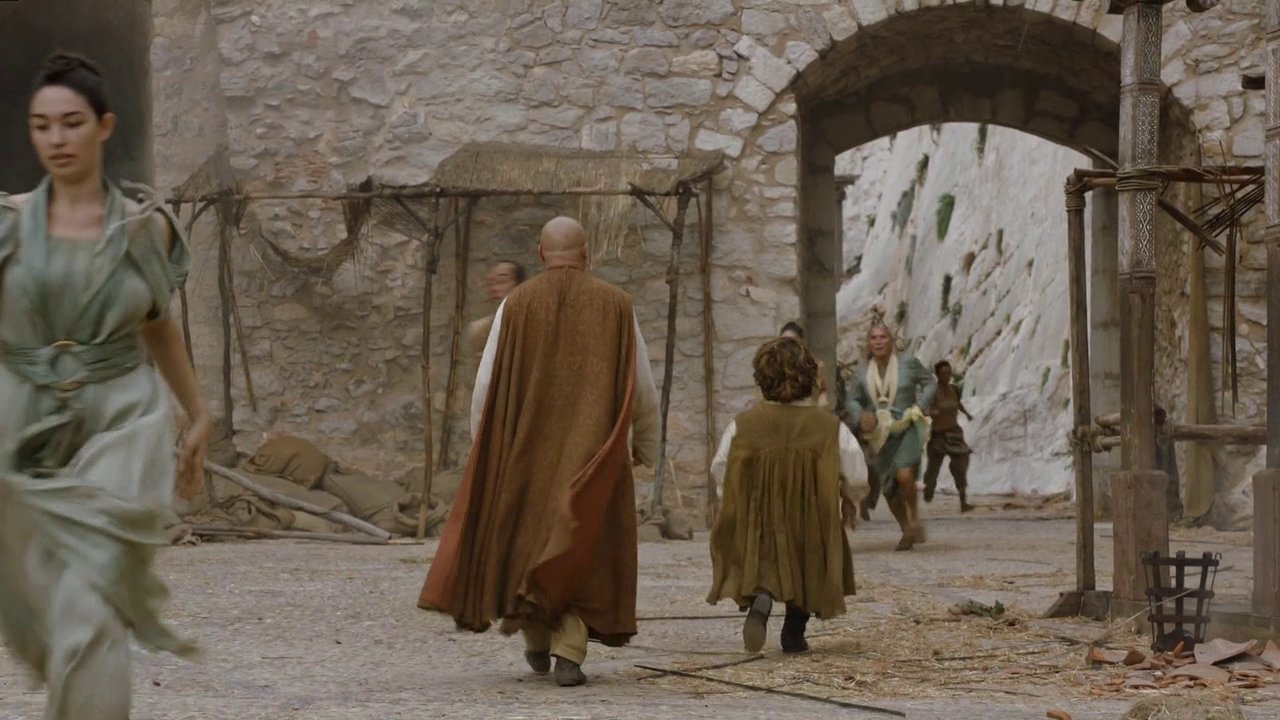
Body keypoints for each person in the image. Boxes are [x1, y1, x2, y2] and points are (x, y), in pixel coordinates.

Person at [0, 52, 209, 720]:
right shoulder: (7, 226)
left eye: (71, 123)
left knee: (90, 599)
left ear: (105, 126)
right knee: (42, 609)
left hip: (121, 419)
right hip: (21, 422)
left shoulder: (145, 229)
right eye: (42, 126)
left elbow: (157, 324)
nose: (56, 139)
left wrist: (197, 412)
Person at [418, 216, 660, 687]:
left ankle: (536, 635)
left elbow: (486, 386)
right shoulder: (618, 305)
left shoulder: (516, 304)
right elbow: (642, 384)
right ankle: (568, 646)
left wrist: (485, 445)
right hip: (595, 452)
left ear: (540, 252)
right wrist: (644, 443)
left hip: (528, 452)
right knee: (584, 543)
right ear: (586, 252)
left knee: (532, 539)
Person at [707, 337, 866, 653]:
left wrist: (732, 497)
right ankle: (794, 631)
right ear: (809, 376)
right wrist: (852, 498)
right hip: (811, 519)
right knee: (807, 567)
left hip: (760, 517)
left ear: (762, 377)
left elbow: (721, 466)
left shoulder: (743, 425)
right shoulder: (829, 427)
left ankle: (762, 596)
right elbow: (856, 471)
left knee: (764, 560)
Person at [843, 322, 936, 551]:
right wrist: (861, 415)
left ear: (891, 340)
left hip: (906, 427)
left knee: (904, 474)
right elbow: (852, 399)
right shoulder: (863, 372)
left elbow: (929, 383)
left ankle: (914, 515)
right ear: (869, 343)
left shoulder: (908, 363)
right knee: (889, 488)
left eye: (883, 337)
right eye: (873, 338)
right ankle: (907, 529)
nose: (878, 342)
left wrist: (921, 405)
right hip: (879, 435)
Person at [923, 360, 975, 512]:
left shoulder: (954, 389)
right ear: (938, 375)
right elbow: (923, 409)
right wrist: (932, 412)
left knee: (961, 465)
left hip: (954, 433)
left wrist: (967, 414)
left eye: (948, 373)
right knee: (933, 470)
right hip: (938, 436)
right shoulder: (932, 392)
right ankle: (929, 488)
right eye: (943, 373)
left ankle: (963, 502)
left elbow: (958, 404)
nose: (946, 376)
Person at [467, 260, 526, 354]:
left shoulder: (533, 322)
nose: (494, 288)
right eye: (490, 283)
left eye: (501, 281)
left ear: (519, 284)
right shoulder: (481, 330)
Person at [778, 321, 831, 407]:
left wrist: (822, 402)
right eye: (784, 341)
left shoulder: (816, 366)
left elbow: (823, 390)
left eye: (793, 341)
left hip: (809, 411)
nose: (788, 345)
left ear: (801, 343)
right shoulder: (773, 367)